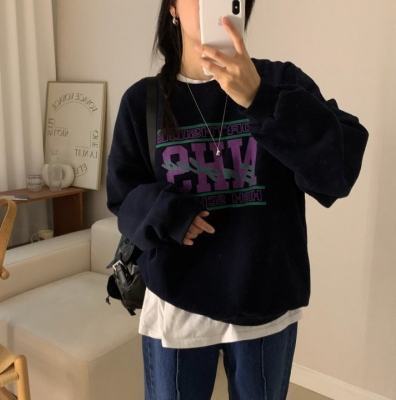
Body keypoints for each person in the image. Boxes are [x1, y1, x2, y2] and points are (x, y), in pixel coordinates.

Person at [107, 0, 369, 399]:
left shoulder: (280, 82)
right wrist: (167, 212)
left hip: (264, 301)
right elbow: (123, 198)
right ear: (172, 7)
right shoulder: (143, 101)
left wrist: (262, 99)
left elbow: (338, 170)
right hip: (177, 303)